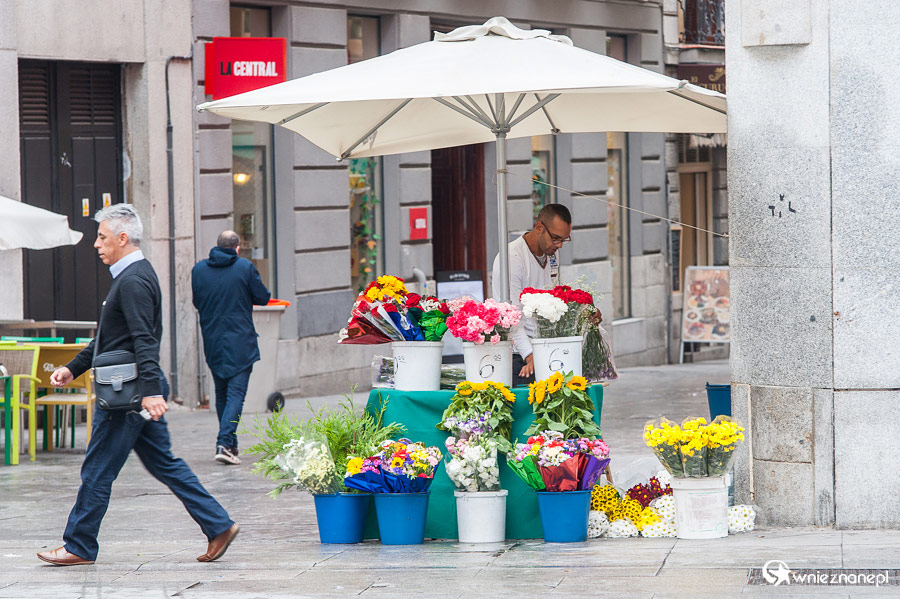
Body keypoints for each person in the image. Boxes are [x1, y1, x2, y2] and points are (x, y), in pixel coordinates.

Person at [38, 204, 239, 566]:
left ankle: (79, 545)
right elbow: (110, 340)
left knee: (98, 467)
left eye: (101, 237)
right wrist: (73, 368)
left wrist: (151, 391)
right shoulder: (134, 276)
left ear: (122, 237)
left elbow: (144, 340)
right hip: (134, 389)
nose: (97, 244)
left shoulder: (132, 281)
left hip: (127, 395)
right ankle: (218, 525)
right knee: (165, 464)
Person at [191, 230, 270, 465]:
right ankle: (225, 442)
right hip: (240, 341)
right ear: (237, 248)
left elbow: (197, 301)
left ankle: (229, 444)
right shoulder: (244, 268)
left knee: (222, 394)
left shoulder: (198, 270)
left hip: (213, 340)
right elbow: (263, 297)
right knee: (236, 394)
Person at [491, 203, 572, 387]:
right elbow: (511, 317)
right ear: (539, 227)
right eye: (556, 238)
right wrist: (530, 354)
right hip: (520, 356)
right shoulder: (512, 258)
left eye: (564, 240)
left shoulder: (551, 253)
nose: (559, 245)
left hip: (543, 349)